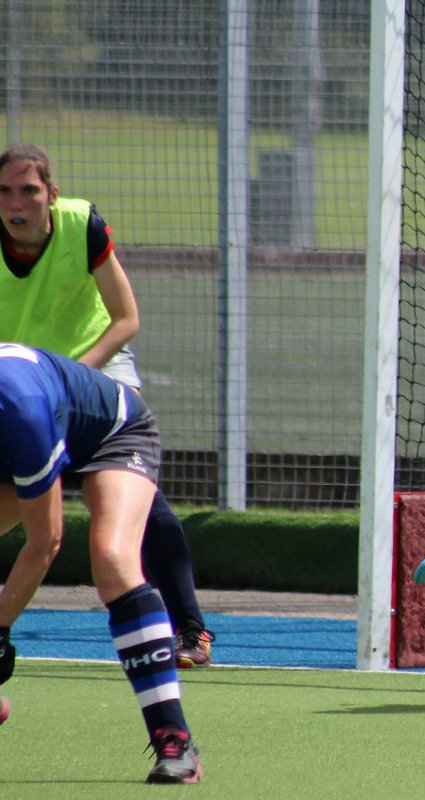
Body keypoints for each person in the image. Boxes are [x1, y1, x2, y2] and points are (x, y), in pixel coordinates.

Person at [0, 144, 215, 668]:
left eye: (29, 190)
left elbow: (126, 319)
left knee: (136, 502)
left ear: (51, 194)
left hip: (97, 370)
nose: (16, 204)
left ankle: (191, 629)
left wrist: (76, 380)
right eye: (4, 191)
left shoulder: (82, 226)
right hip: (21, 385)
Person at [0, 343, 202, 782]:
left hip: (114, 434)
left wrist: (0, 629)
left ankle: (175, 739)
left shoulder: (20, 410)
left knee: (112, 557)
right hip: (34, 434)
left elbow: (45, 541)